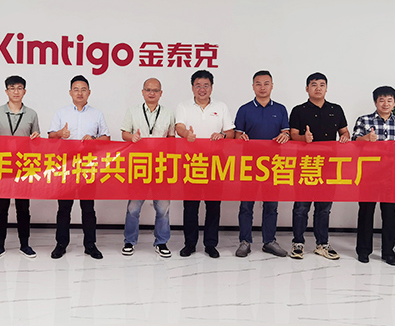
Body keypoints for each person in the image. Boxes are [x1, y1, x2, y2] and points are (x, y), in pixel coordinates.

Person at [288, 72, 350, 260]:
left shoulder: (336, 109)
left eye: (322, 85)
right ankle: (298, 243)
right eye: (314, 84)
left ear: (326, 88)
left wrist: (345, 137)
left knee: (324, 207)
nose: (318, 88)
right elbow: (293, 135)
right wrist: (303, 138)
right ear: (307, 88)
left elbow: (344, 132)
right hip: (305, 165)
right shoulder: (299, 110)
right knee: (301, 207)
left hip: (328, 166)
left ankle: (322, 244)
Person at [47, 75, 110, 259]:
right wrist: (60, 133)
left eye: (83, 89)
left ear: (89, 92)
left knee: (88, 208)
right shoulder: (61, 113)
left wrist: (94, 139)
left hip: (88, 167)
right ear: (70, 92)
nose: (80, 93)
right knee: (64, 208)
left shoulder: (97, 114)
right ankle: (61, 244)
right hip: (66, 167)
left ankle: (90, 245)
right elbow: (50, 136)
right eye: (76, 89)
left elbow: (106, 138)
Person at [175, 69, 235, 258]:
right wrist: (186, 134)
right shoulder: (183, 106)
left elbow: (231, 132)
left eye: (206, 85)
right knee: (190, 205)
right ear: (192, 87)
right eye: (198, 85)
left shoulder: (221, 107)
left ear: (211, 87)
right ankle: (190, 244)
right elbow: (179, 127)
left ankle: (210, 244)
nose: (202, 89)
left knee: (213, 205)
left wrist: (222, 135)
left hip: (215, 162)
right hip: (191, 162)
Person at [234, 70, 289, 258]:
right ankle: (245, 241)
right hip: (249, 164)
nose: (262, 87)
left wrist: (285, 135)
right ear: (253, 87)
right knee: (246, 205)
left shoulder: (280, 109)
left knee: (271, 205)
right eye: (258, 83)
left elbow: (286, 132)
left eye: (266, 83)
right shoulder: (244, 109)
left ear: (272, 86)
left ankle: (269, 241)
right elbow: (236, 135)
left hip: (274, 165)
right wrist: (240, 137)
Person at [351, 86, 395, 265]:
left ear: (394, 103)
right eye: (381, 100)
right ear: (375, 102)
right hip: (368, 173)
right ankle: (363, 251)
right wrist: (366, 138)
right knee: (366, 212)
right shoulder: (364, 120)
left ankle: (388, 252)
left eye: (389, 100)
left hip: (390, 174)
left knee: (389, 213)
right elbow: (354, 141)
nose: (385, 104)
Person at [120, 78, 176, 258]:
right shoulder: (133, 111)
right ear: (143, 92)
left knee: (163, 208)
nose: (152, 93)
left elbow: (172, 138)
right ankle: (129, 241)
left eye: (155, 90)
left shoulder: (168, 113)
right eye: (148, 90)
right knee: (133, 207)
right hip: (139, 165)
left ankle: (161, 242)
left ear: (161, 93)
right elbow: (124, 133)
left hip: (161, 166)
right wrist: (132, 138)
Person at [0, 75, 41, 259]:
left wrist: (36, 137)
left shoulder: (31, 114)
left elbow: (37, 141)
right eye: (12, 88)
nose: (16, 92)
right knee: (1, 207)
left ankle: (25, 244)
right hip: (2, 166)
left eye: (19, 88)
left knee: (23, 208)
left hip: (23, 166)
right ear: (6, 91)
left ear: (24, 91)